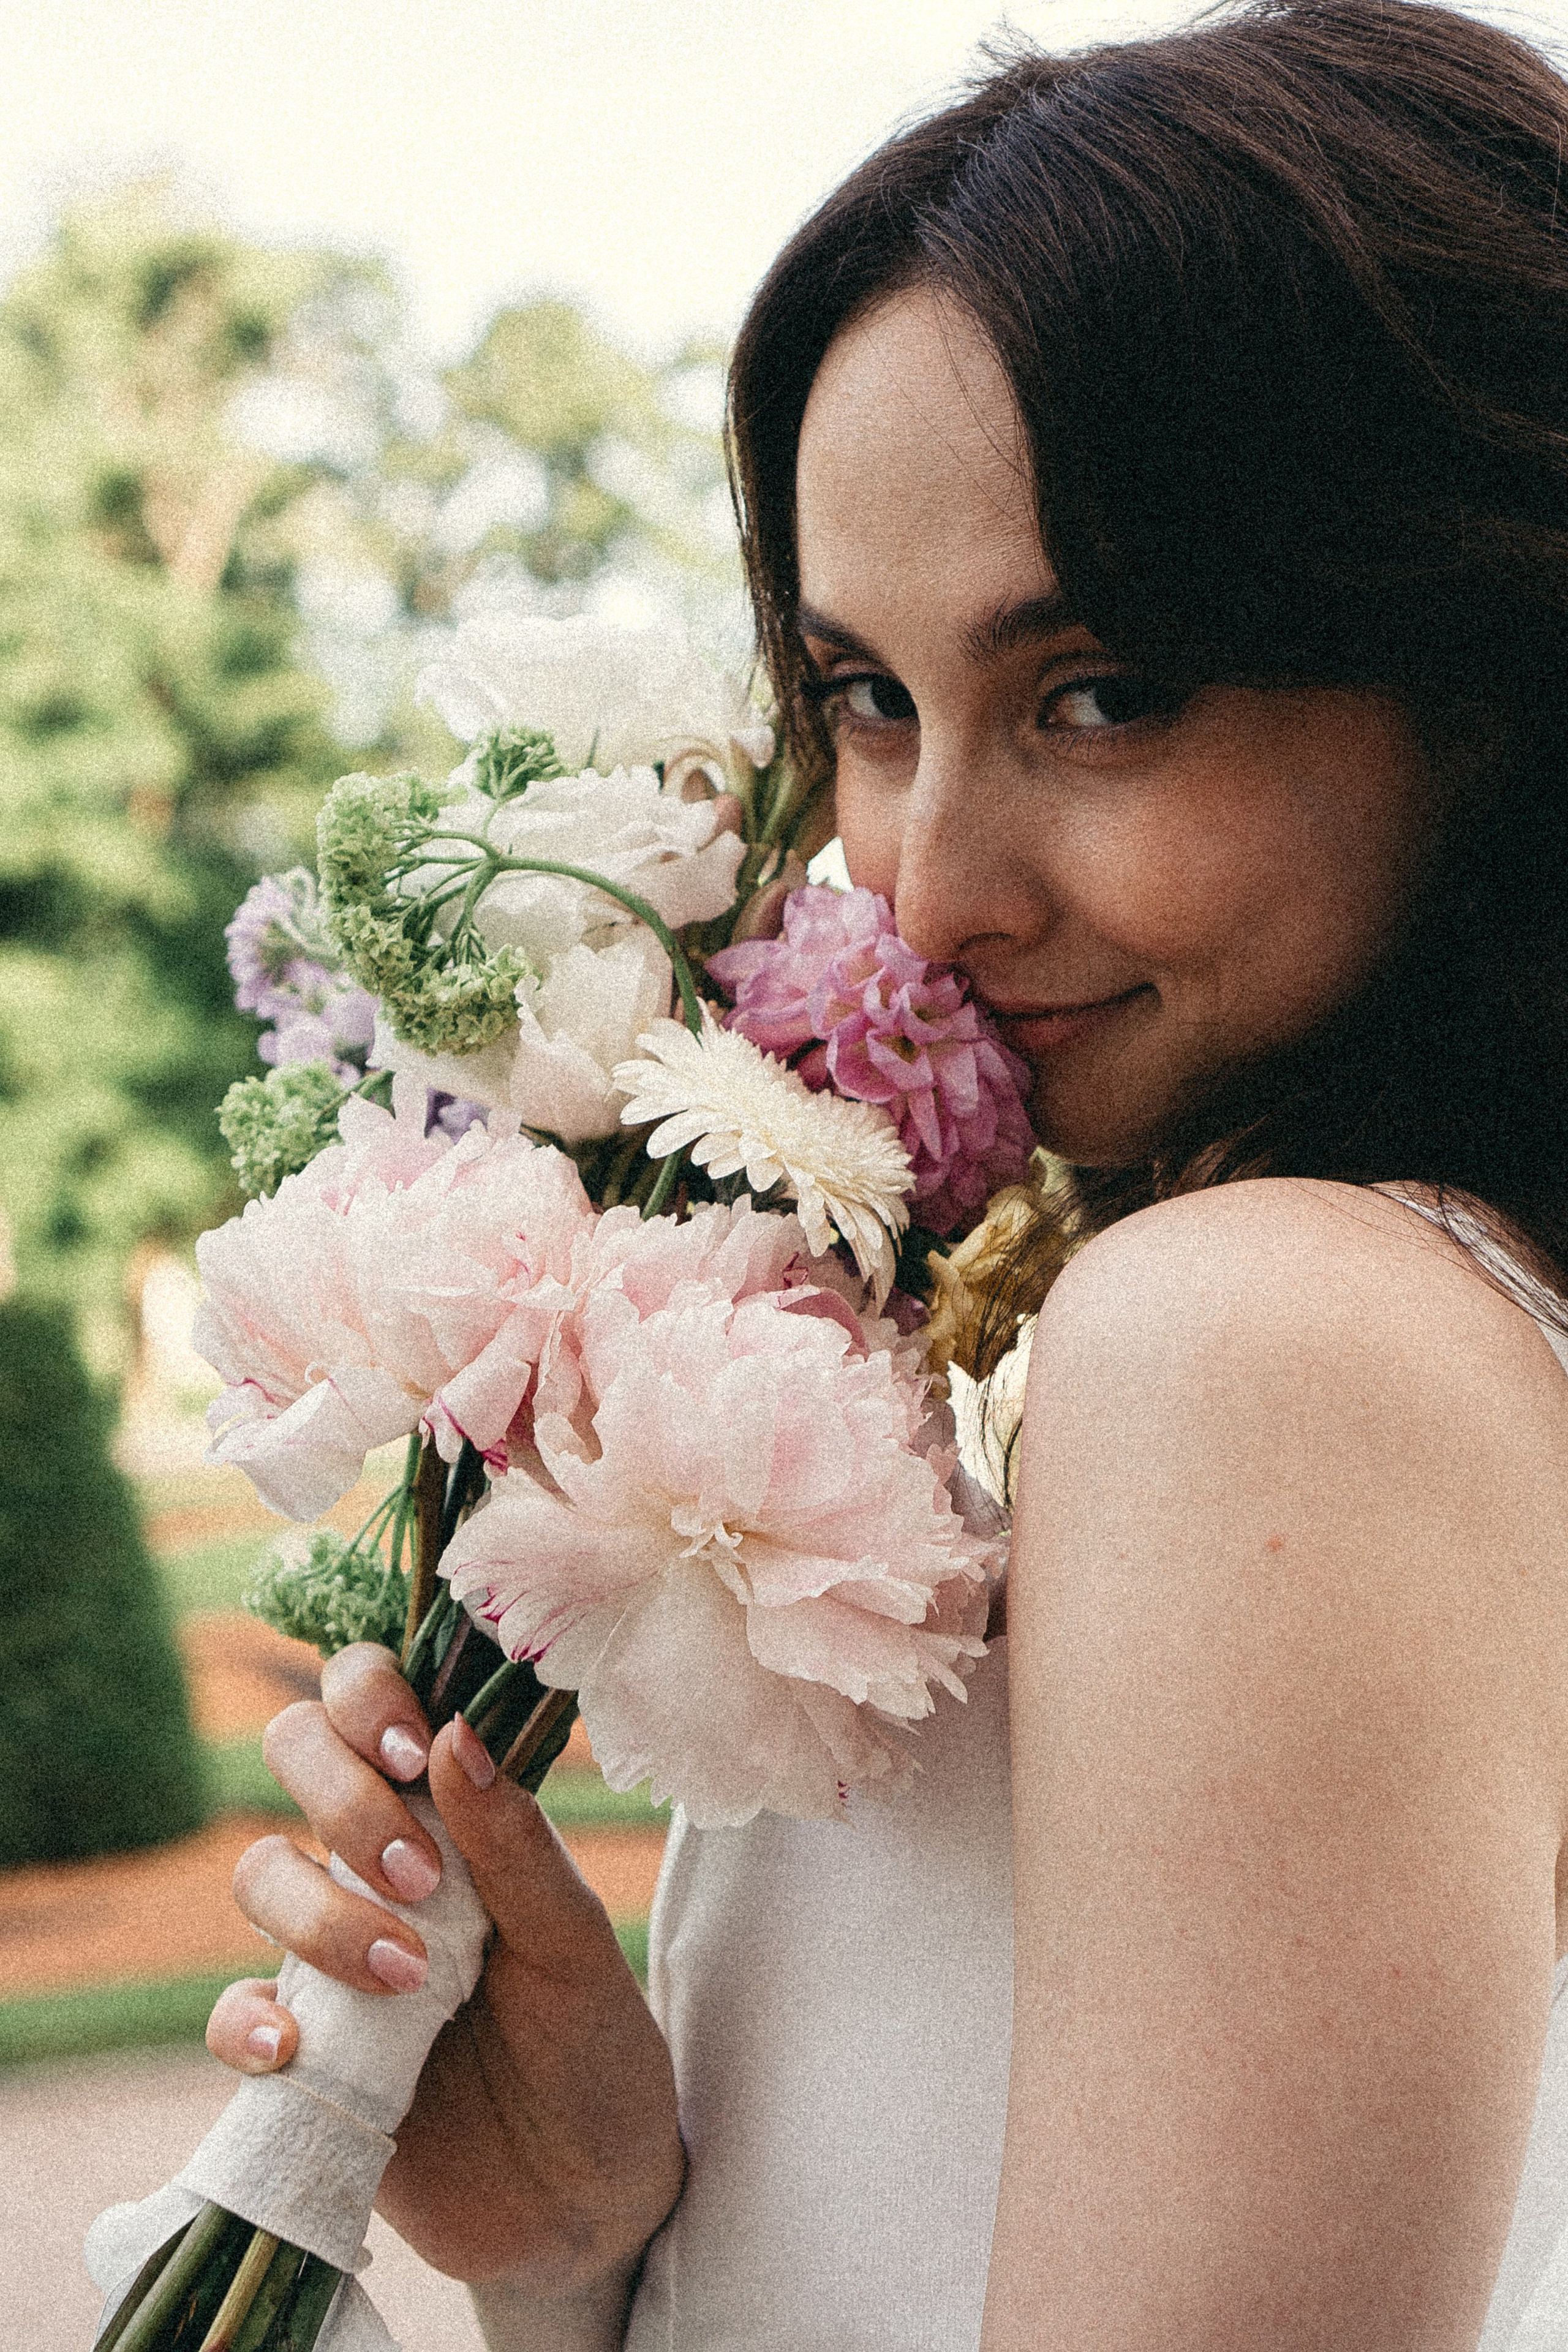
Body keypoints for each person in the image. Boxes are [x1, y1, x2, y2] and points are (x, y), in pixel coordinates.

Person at [205, 2, 1568, 2343]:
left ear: (1484, 658)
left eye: (1102, 692)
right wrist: (585, 2253)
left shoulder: (1270, 1340)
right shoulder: (1346, 1325)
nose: (923, 893)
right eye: (866, 698)